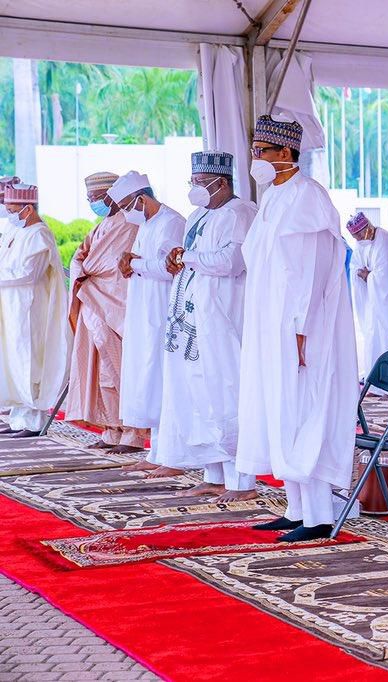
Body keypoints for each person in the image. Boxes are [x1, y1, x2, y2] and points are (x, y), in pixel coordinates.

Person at [236, 115, 359, 542]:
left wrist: (301, 328)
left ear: (286, 154)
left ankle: (319, 515)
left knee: (305, 412)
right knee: (279, 409)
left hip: (301, 328)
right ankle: (296, 507)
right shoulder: (274, 196)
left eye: (261, 152)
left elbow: (310, 271)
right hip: (271, 325)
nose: (255, 160)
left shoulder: (308, 197)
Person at [156, 152, 258, 502]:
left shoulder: (241, 212)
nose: (195, 189)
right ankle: (213, 472)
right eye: (193, 182)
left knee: (225, 392)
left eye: (201, 183)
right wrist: (176, 256)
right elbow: (188, 253)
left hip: (223, 318)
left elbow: (233, 261)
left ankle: (241, 482)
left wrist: (189, 258)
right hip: (193, 318)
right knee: (198, 393)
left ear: (221, 183)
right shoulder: (198, 214)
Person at [109, 172, 186, 475]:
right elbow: (142, 262)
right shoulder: (146, 224)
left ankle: (173, 458)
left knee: (165, 381)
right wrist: (132, 262)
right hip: (144, 310)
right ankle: (156, 451)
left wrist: (135, 263)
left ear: (141, 199)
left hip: (164, 310)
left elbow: (171, 268)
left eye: (127, 205)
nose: (126, 213)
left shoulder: (171, 222)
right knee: (148, 380)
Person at [65, 172, 147, 453]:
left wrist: (85, 270)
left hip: (115, 306)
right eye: (89, 199)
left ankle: (133, 434)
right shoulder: (101, 225)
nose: (92, 203)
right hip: (94, 304)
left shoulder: (128, 223)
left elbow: (111, 264)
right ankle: (112, 429)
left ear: (109, 195)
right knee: (101, 374)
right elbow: (79, 257)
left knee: (120, 370)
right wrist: (83, 270)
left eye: (95, 198)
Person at [0, 184, 69, 438]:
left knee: (30, 361)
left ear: (28, 209)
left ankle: (34, 421)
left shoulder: (40, 234)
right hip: (10, 307)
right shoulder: (15, 230)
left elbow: (29, 274)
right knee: (11, 361)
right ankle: (18, 419)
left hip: (30, 307)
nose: (8, 214)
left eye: (12, 210)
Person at [348, 211, 388, 378]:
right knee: (373, 340)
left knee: (387, 339)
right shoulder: (362, 244)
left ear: (365, 229)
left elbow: (387, 275)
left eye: (358, 236)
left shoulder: (384, 240)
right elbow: (355, 265)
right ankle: (376, 381)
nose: (357, 241)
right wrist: (361, 274)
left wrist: (368, 276)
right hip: (372, 302)